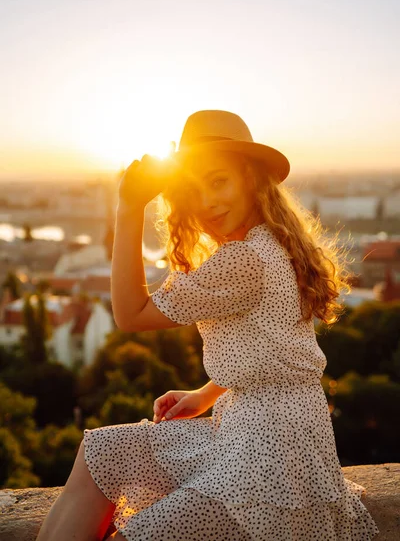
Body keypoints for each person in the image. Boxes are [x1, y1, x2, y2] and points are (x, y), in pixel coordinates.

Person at [36, 110, 379, 541]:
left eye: (218, 181)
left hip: (269, 462)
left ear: (252, 179)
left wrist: (127, 209)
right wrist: (206, 392)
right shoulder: (273, 245)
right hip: (267, 437)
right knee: (100, 452)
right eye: (193, 190)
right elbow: (276, 347)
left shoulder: (245, 259)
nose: (207, 201)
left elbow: (130, 314)